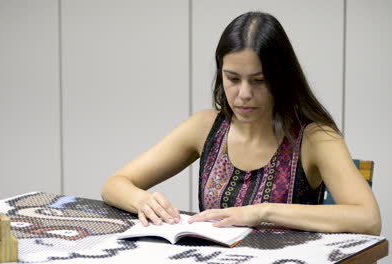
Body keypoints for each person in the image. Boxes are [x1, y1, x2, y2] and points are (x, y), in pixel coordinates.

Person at [101, 11, 381, 235]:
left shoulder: (315, 137)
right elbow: (116, 184)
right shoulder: (206, 127)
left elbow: (368, 219)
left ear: (281, 77)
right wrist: (142, 201)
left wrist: (263, 211)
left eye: (259, 81)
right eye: (232, 79)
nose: (244, 94)